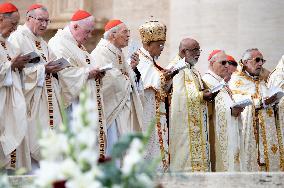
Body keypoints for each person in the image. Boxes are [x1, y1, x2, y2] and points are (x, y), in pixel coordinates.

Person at [8, 4, 63, 168]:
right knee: (32, 145)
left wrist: (55, 68)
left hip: (47, 101)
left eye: (47, 21)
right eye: (40, 20)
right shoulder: (17, 38)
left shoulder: (42, 43)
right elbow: (13, 71)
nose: (44, 25)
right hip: (30, 103)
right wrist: (42, 70)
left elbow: (50, 64)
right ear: (28, 18)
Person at [48, 10, 107, 159]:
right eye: (87, 32)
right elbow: (63, 74)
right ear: (75, 27)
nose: (89, 36)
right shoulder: (59, 43)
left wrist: (96, 72)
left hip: (84, 103)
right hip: (71, 106)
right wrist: (87, 73)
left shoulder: (77, 44)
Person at [91, 20, 143, 157]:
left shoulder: (117, 52)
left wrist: (131, 67)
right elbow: (109, 79)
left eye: (128, 32)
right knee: (113, 144)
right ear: (113, 35)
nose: (128, 36)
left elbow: (122, 75)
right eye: (125, 32)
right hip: (111, 107)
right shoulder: (101, 52)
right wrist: (127, 77)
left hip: (121, 106)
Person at [229, 48, 283, 171]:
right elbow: (237, 101)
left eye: (262, 61)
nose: (260, 64)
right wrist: (260, 102)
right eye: (257, 60)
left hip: (268, 135)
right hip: (250, 134)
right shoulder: (236, 80)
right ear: (245, 62)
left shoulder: (262, 81)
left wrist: (274, 102)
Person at [136, 19, 175, 172]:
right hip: (147, 114)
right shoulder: (139, 60)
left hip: (157, 113)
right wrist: (164, 77)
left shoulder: (150, 61)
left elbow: (160, 84)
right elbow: (147, 81)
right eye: (159, 45)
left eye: (163, 44)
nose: (162, 49)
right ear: (148, 44)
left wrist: (169, 77)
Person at [169, 38, 212, 172]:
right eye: (195, 50)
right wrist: (201, 95)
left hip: (197, 122)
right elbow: (178, 96)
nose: (198, 53)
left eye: (199, 50)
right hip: (184, 126)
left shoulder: (192, 69)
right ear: (183, 51)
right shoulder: (176, 67)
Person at [0, 2, 31, 171]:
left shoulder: (10, 45)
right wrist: (11, 65)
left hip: (12, 104)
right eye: (13, 24)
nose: (14, 29)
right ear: (0, 19)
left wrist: (20, 66)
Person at [214, 54, 244, 171]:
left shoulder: (225, 83)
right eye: (224, 64)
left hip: (234, 126)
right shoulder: (211, 81)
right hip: (222, 132)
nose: (227, 68)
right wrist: (231, 110)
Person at [202, 49, 228, 171]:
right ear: (212, 63)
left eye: (227, 63)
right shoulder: (206, 80)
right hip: (215, 128)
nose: (227, 66)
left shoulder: (220, 81)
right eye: (223, 63)